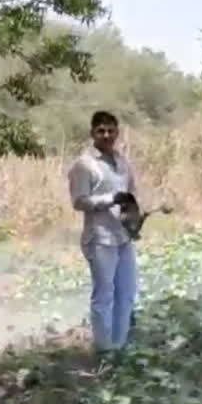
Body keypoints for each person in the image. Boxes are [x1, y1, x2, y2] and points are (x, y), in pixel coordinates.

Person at [68, 110, 140, 354]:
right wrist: (109, 199)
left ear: (117, 132)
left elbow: (130, 197)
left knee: (127, 293)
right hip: (100, 239)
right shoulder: (84, 165)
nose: (106, 135)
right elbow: (79, 201)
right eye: (101, 130)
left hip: (123, 236)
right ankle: (104, 350)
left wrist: (134, 222)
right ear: (93, 133)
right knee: (104, 296)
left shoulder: (122, 162)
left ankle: (119, 347)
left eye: (111, 130)